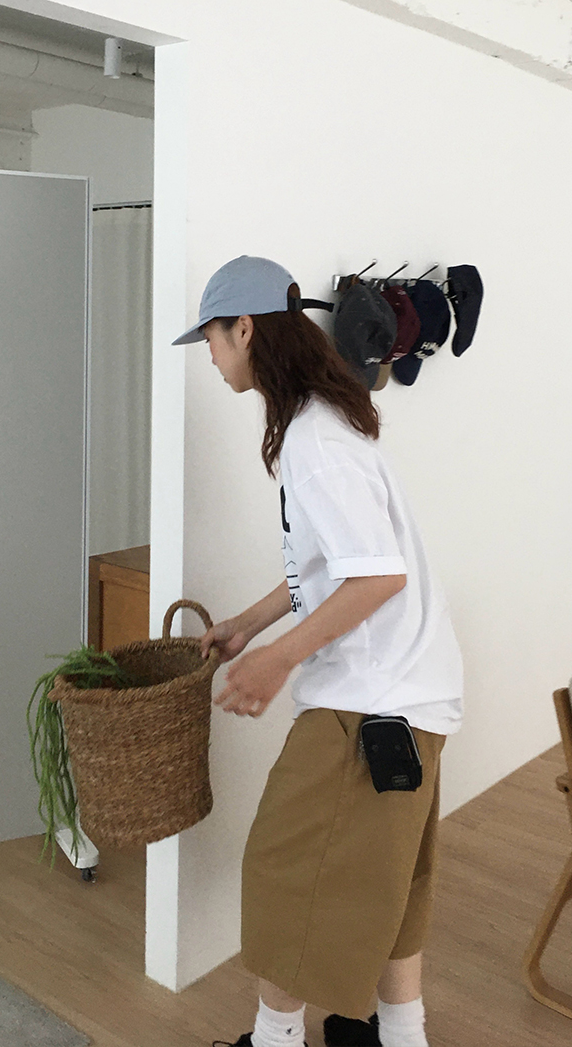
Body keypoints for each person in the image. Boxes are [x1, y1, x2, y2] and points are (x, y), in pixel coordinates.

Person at [173, 257, 464, 1047]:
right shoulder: (326, 420)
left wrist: (278, 660)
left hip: (372, 697)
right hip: (411, 689)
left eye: (211, 337)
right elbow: (337, 563)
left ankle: (277, 1041)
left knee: (283, 872)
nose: (210, 355)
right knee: (393, 882)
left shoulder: (314, 439)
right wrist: (251, 624)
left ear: (244, 329)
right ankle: (400, 1035)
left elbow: (378, 577)